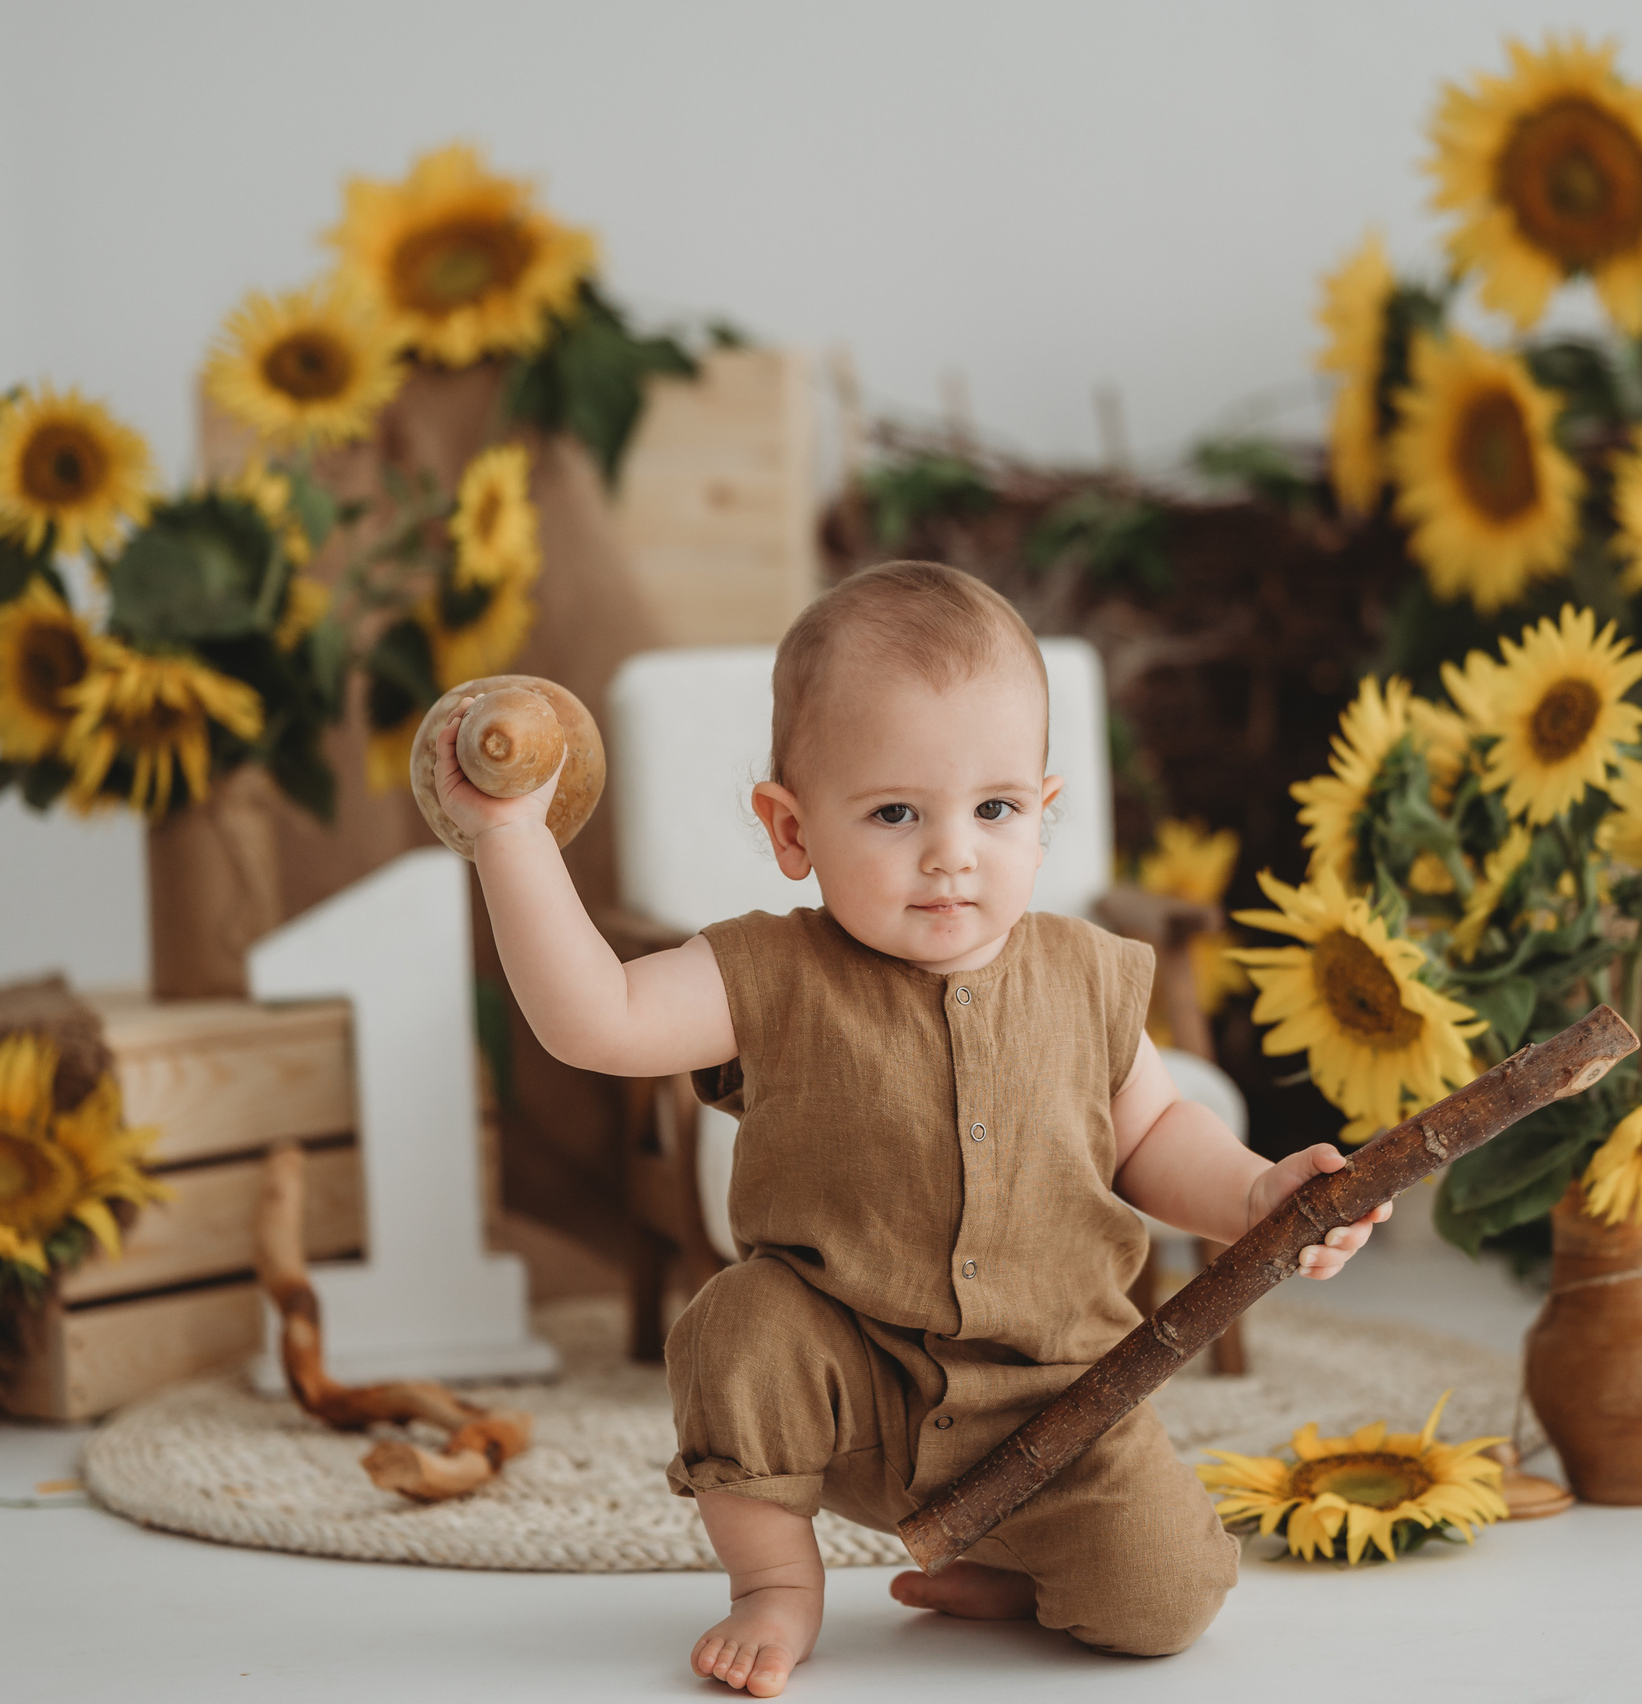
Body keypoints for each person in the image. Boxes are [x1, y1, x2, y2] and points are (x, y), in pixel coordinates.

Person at [434, 560, 1390, 1698]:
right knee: (740, 1328)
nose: (951, 853)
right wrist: (511, 840)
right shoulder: (772, 972)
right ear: (790, 830)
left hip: (1057, 1397)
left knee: (1167, 1600)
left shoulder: (1089, 975)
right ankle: (775, 1585)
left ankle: (1004, 1561)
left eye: (993, 810)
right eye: (895, 813)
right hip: (845, 1384)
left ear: (1043, 811)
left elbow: (1153, 1136)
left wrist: (1251, 1197)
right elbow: (594, 1019)